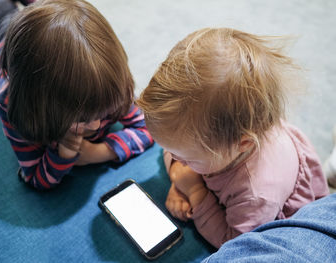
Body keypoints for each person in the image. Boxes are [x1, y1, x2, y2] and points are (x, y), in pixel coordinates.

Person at [137, 28, 329, 248]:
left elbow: (233, 242)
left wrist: (195, 192)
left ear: (242, 144)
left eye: (186, 159)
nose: (177, 160)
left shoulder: (256, 195)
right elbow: (174, 143)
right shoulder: (206, 136)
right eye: (174, 153)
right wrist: (179, 175)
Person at [0, 0, 153, 190]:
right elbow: (36, 177)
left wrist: (100, 152)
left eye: (103, 113)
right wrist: (65, 153)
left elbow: (149, 127)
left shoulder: (107, 84)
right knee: (7, 17)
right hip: (9, 47)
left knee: (46, 10)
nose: (96, 125)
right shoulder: (12, 105)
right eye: (84, 119)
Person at [201, 193, 336, 263]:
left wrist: (197, 193)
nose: (182, 163)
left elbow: (233, 238)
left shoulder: (255, 196)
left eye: (189, 161)